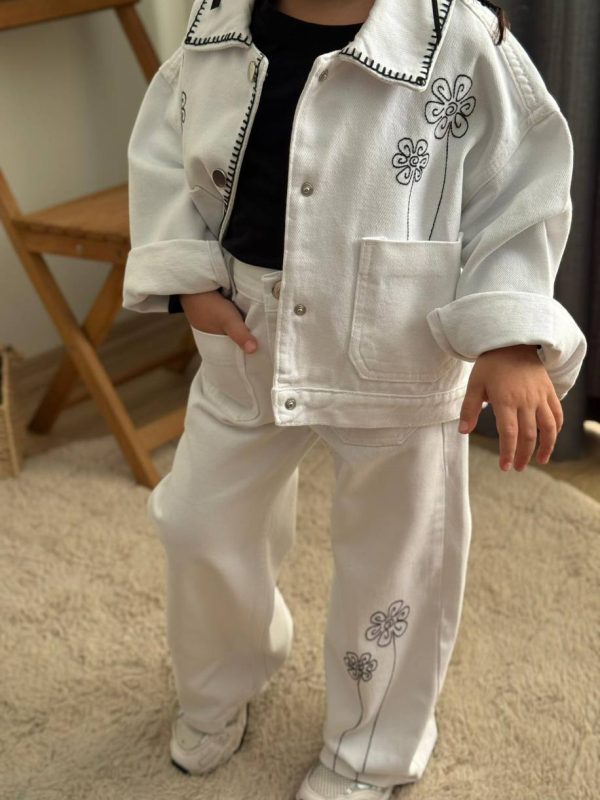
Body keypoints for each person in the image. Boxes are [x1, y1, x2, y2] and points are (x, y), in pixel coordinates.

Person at [122, 0, 587, 797]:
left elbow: (518, 184)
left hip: (399, 346)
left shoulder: (459, 38)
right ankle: (218, 683)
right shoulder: (216, 22)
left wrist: (509, 337)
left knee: (396, 560)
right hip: (248, 336)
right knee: (199, 522)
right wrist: (188, 276)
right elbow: (168, 144)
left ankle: (369, 749)